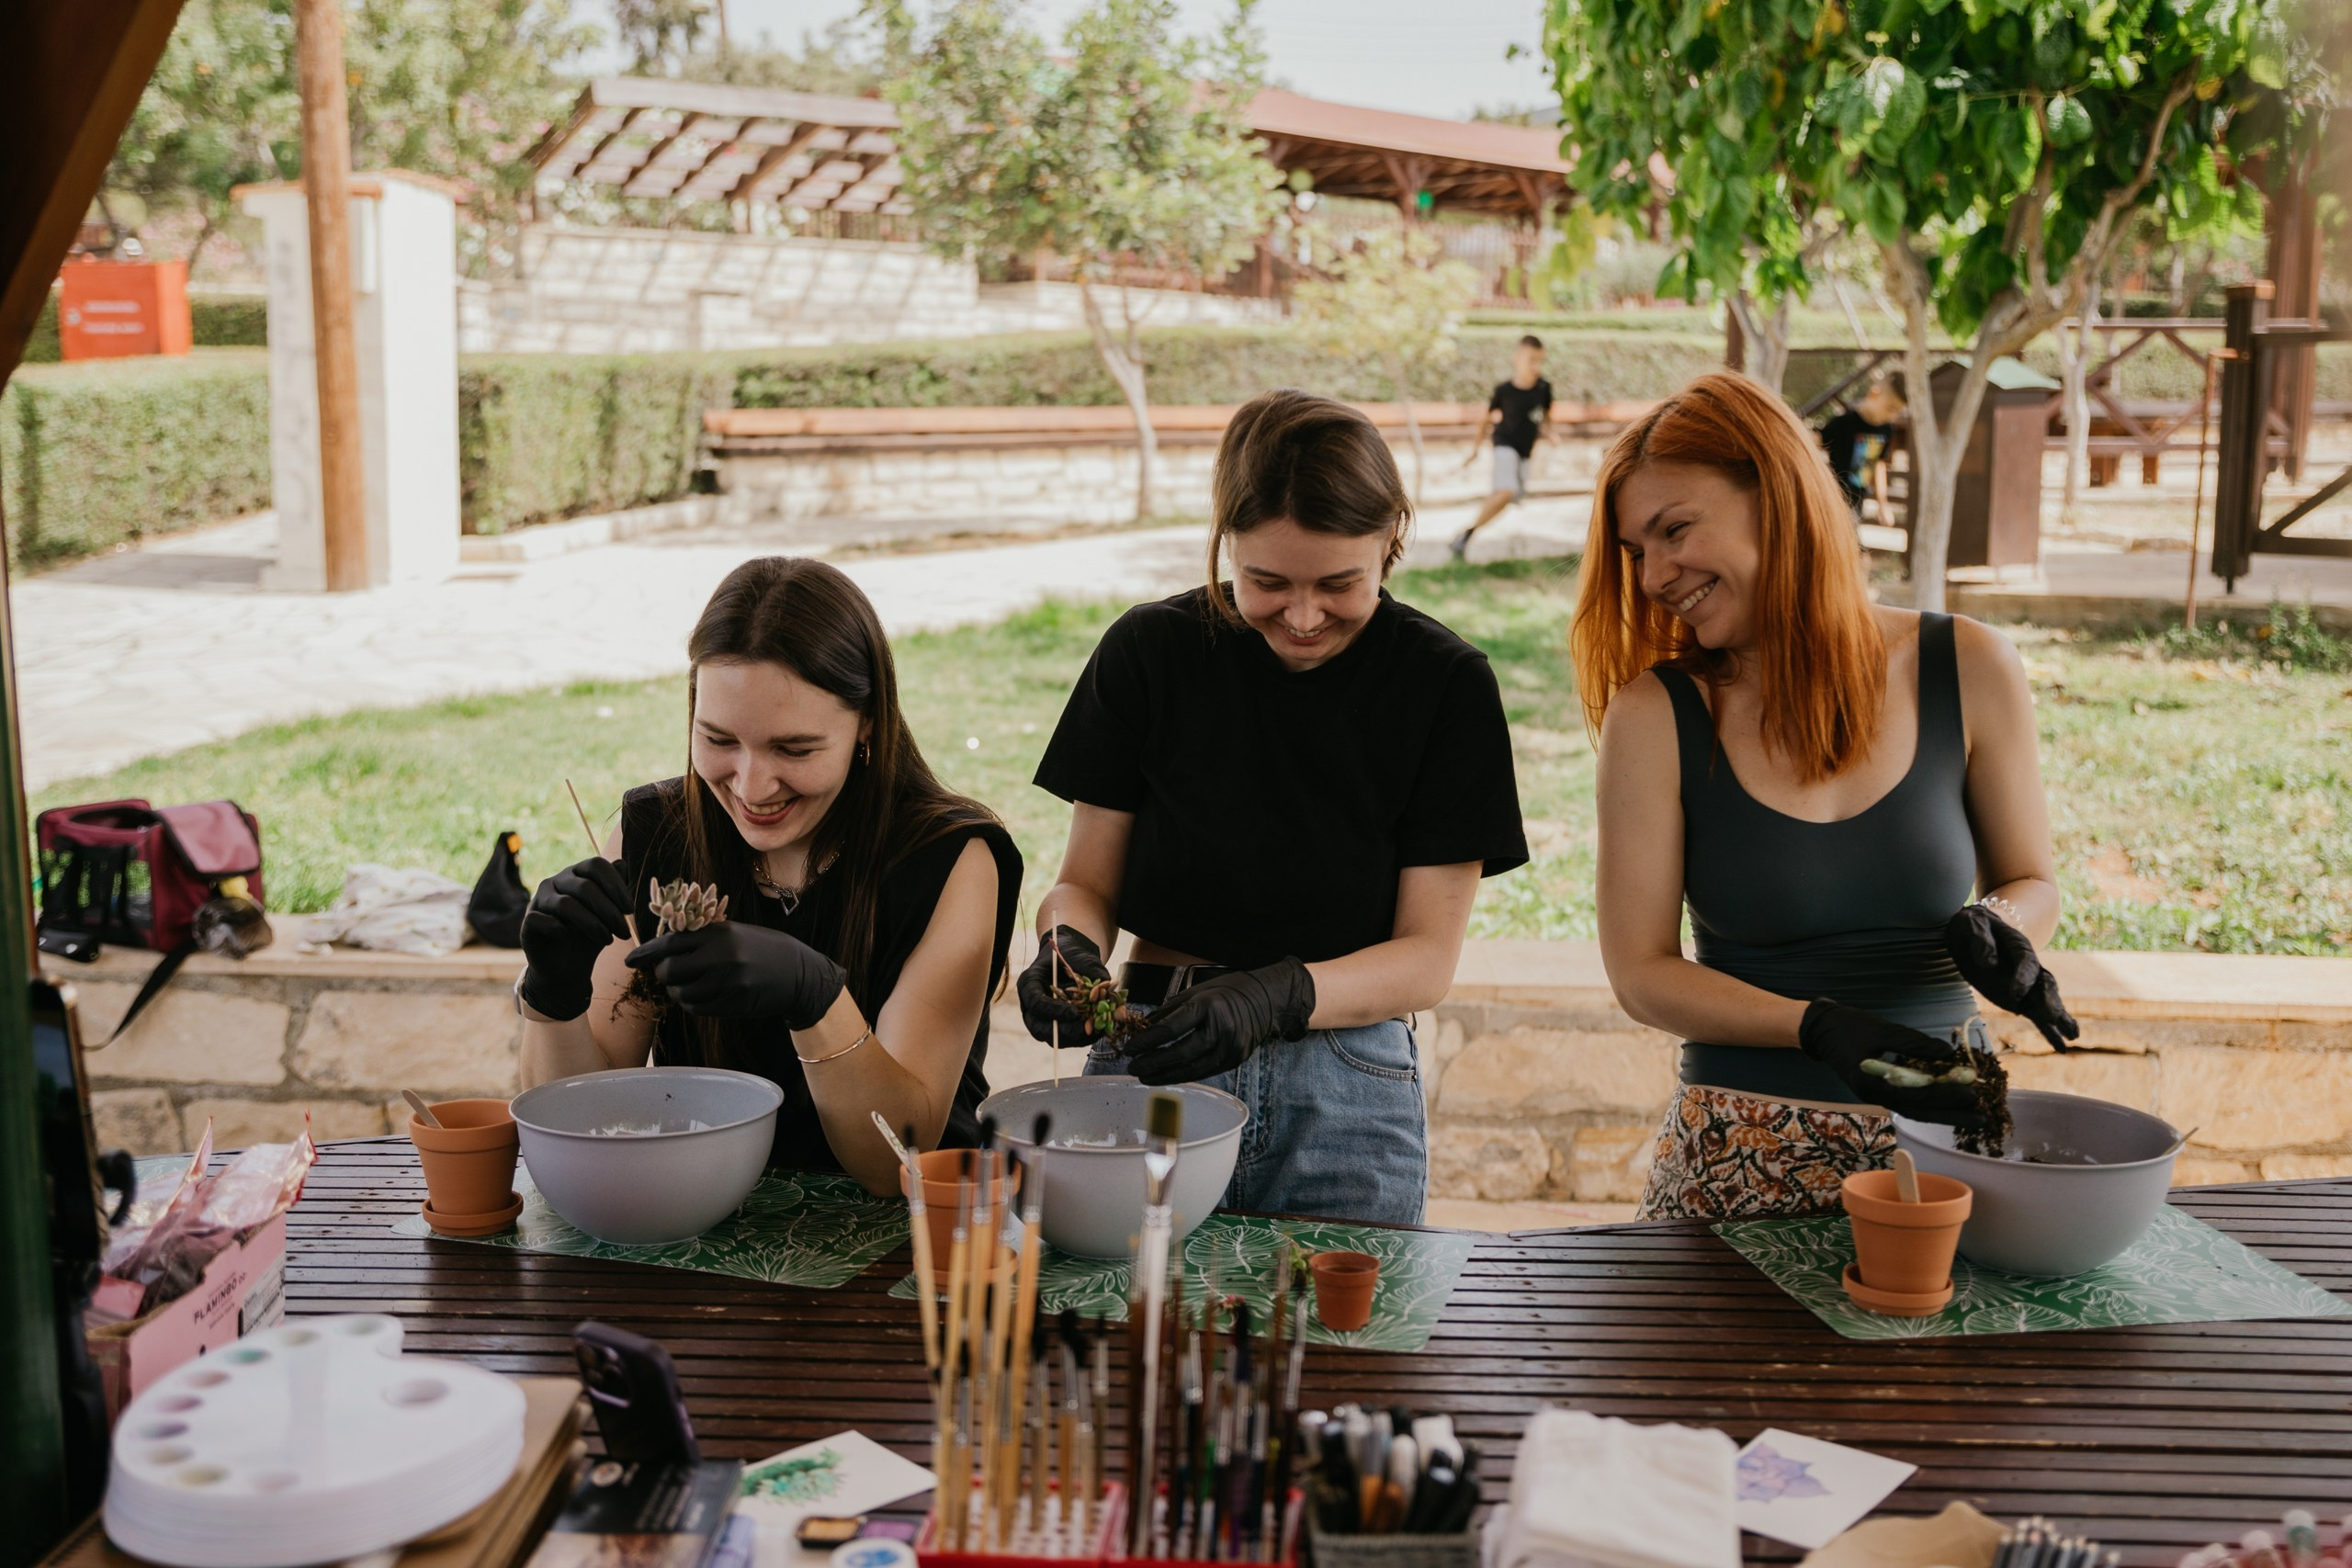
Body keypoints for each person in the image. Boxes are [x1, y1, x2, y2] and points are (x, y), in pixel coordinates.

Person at [1571, 372, 2078, 1222]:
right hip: (1738, 1155)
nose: (1654, 575)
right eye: (1635, 551)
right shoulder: (1656, 715)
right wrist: (1813, 1024)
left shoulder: (1972, 666)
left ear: (1776, 498)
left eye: (1674, 530)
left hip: (1949, 1150)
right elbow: (1642, 973)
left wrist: (2005, 926)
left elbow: (2033, 878)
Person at [1020, 389, 1529, 1225]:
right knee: (1129, 1328)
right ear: (1226, 541)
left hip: (1349, 1076)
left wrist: (1274, 996)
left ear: (1391, 539)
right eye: (1265, 581)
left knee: (1342, 1352)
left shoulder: (1444, 685)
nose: (1300, 616)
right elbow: (1087, 884)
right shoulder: (1150, 653)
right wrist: (1066, 944)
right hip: (1154, 1048)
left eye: (1339, 584)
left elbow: (1426, 959)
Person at [514, 558, 1022, 1197]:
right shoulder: (656, 831)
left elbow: (895, 1161)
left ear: (867, 723)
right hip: (701, 1215)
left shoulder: (949, 858)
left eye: (795, 749)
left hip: (912, 1241)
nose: (752, 787)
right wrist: (552, 996)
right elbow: (586, 1121)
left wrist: (817, 997)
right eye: (719, 739)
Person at [1451, 334, 1554, 561]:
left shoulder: (1544, 388)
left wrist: (1549, 433)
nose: (1536, 366)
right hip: (1504, 444)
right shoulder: (1504, 391)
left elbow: (1544, 416)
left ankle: (1466, 534)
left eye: (1540, 360)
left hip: (1526, 450)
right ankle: (1466, 535)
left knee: (1508, 497)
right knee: (1506, 491)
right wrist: (1475, 451)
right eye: (1531, 360)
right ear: (1516, 359)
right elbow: (1486, 420)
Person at [1816, 378, 1905, 516]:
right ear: (1874, 394)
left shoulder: (1886, 430)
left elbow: (1878, 464)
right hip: (1830, 502)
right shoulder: (1843, 423)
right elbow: (1818, 440)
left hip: (1856, 505)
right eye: (1890, 409)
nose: (1893, 417)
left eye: (1897, 412)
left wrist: (1883, 503)